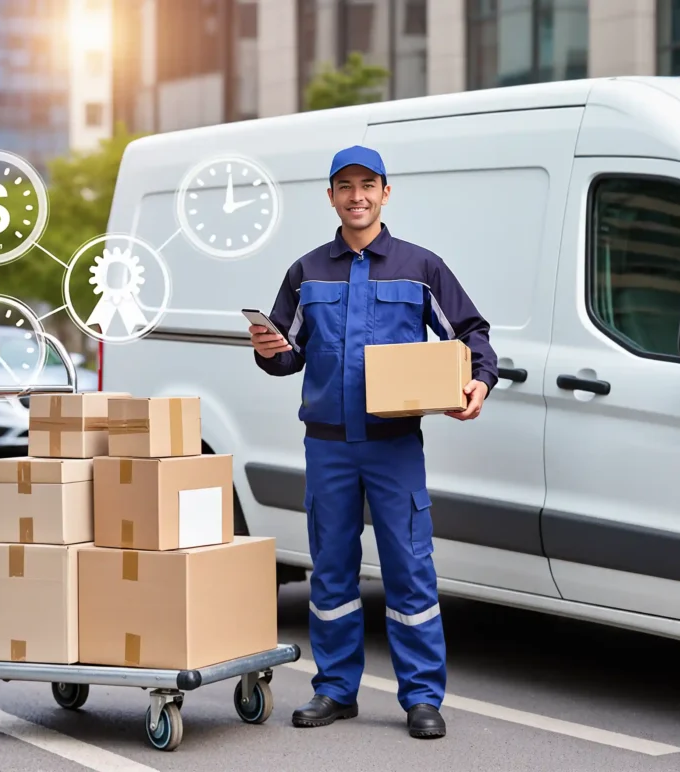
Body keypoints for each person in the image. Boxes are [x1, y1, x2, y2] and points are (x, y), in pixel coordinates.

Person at [250, 145, 498, 739]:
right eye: (345, 186)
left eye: (368, 185)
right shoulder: (306, 272)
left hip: (393, 446)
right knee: (331, 571)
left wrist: (479, 381)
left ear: (386, 192)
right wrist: (268, 351)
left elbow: (471, 333)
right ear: (331, 196)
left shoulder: (421, 267)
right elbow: (287, 353)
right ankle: (335, 689)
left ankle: (422, 697)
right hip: (328, 446)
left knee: (409, 568)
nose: (356, 196)